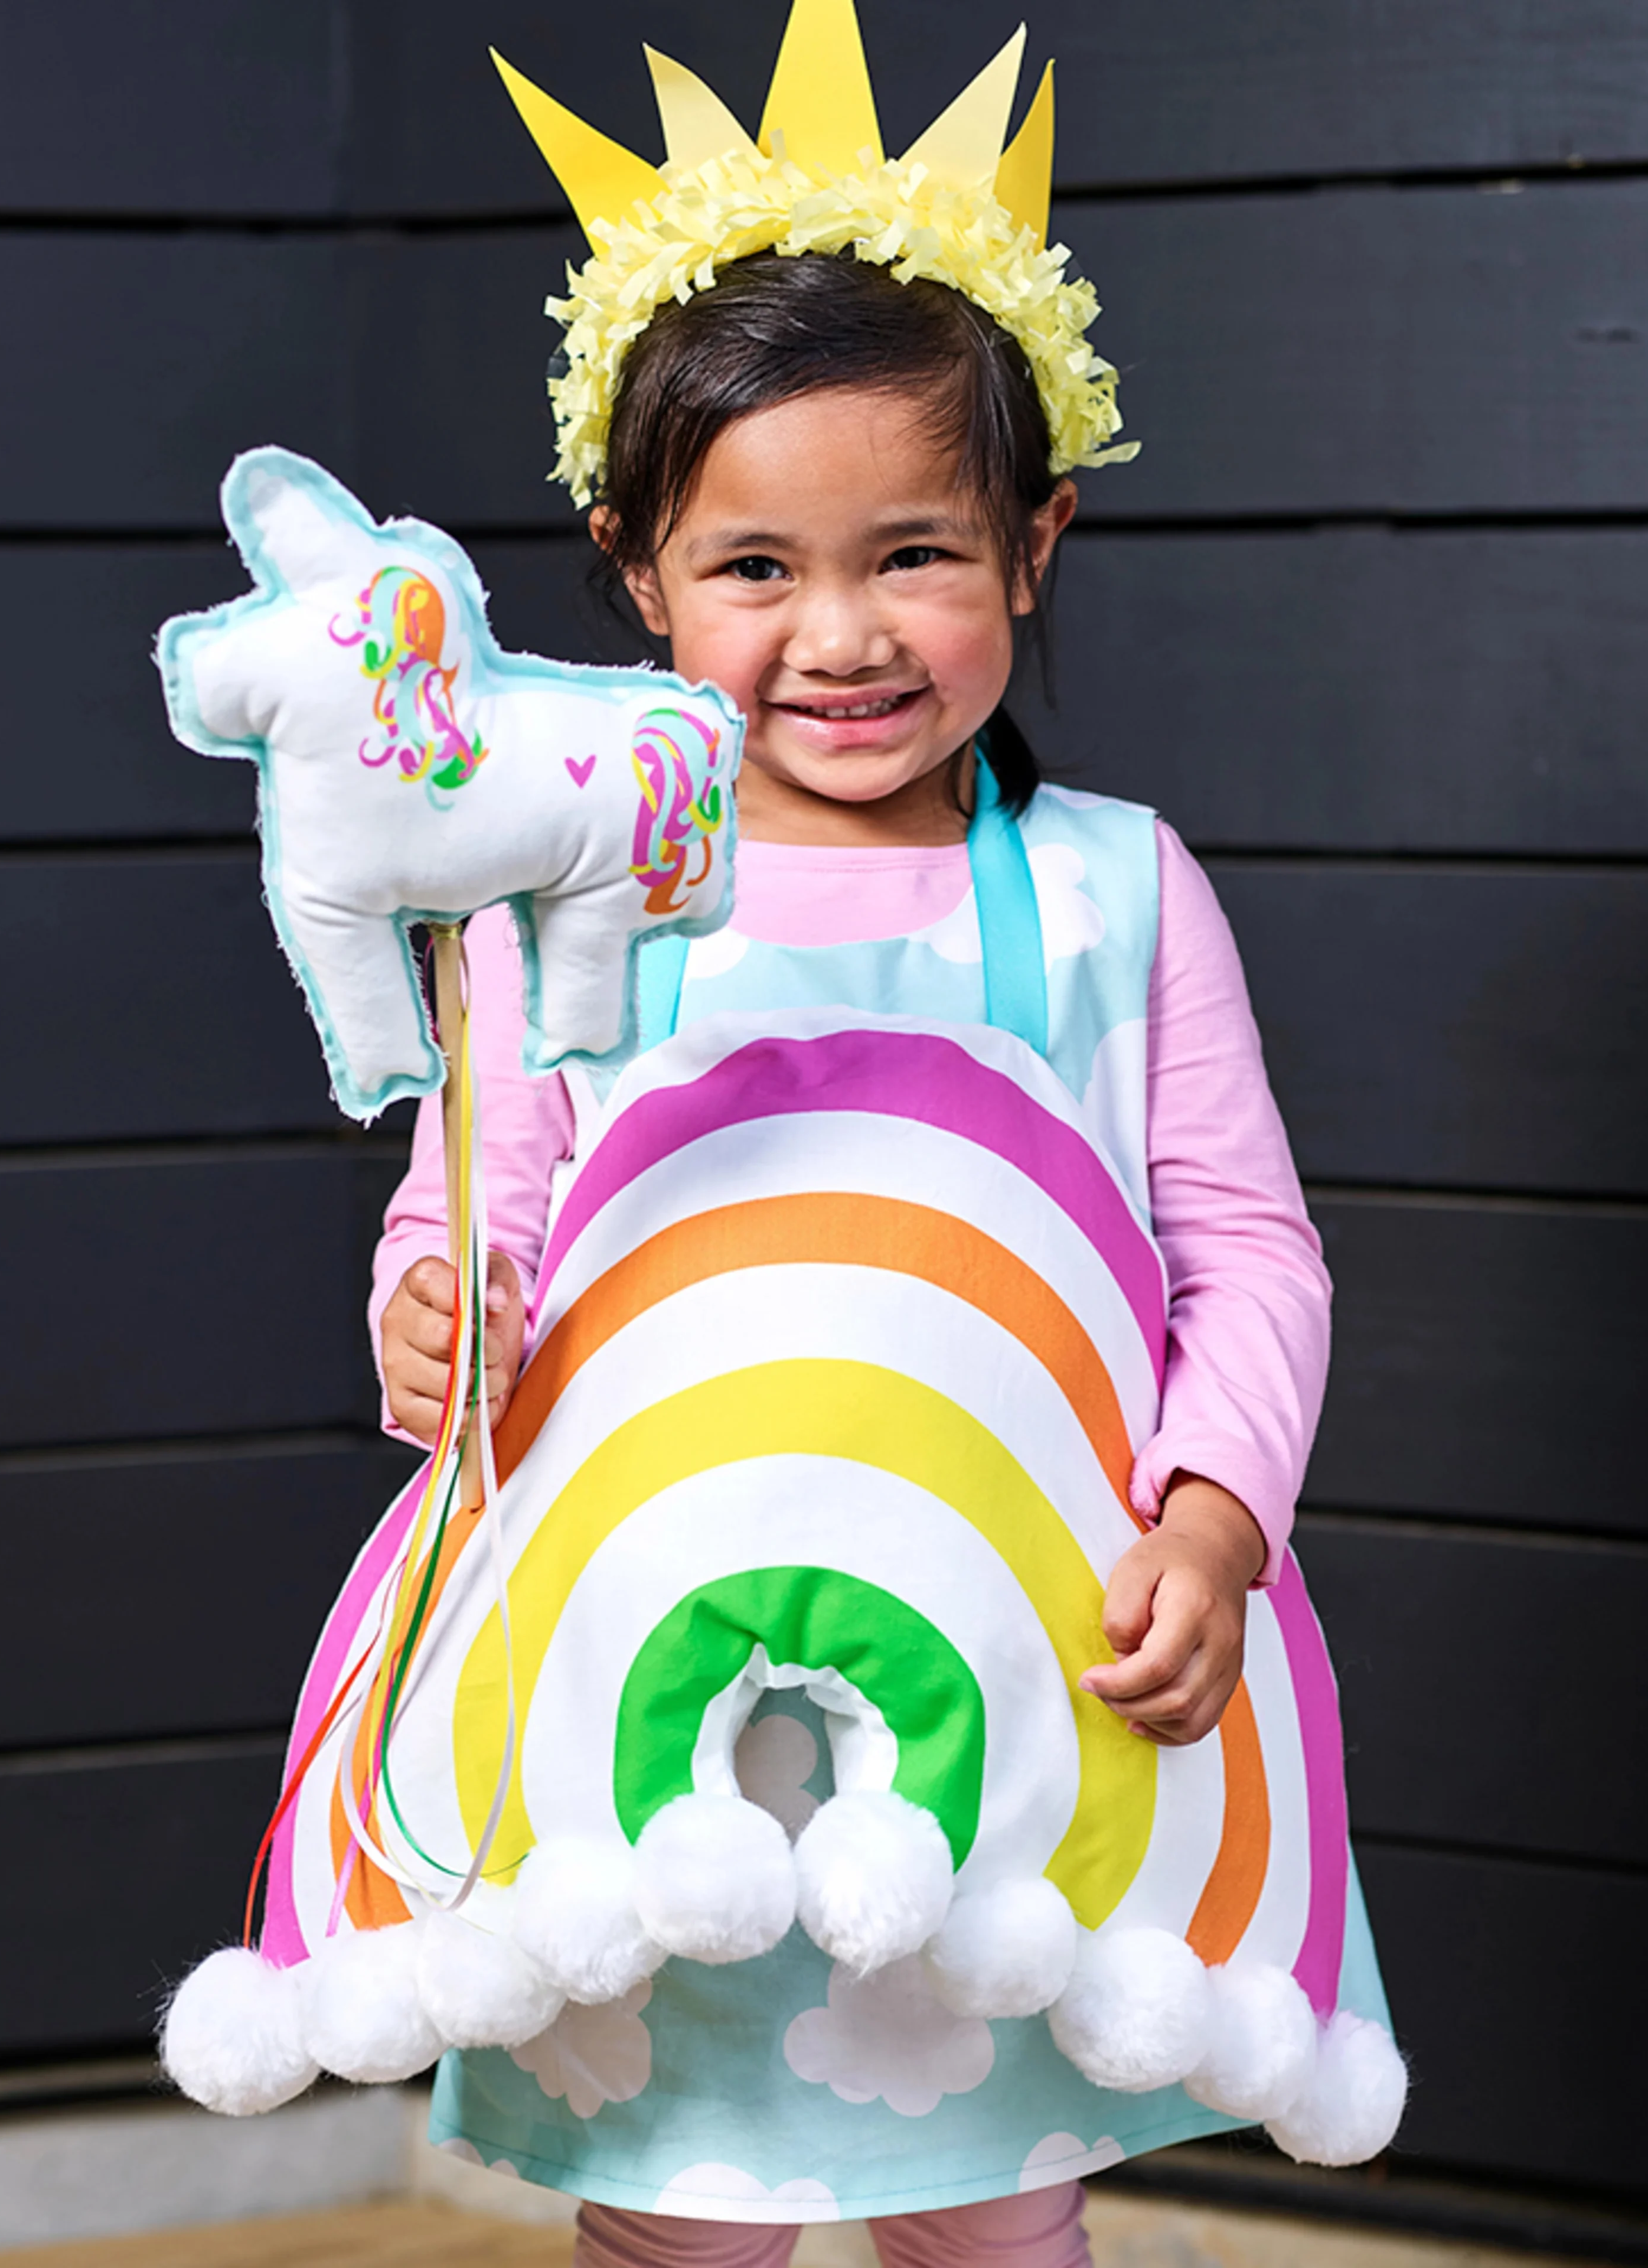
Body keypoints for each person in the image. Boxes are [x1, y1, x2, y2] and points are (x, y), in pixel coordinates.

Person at [366, 249, 1340, 2268]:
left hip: (1015, 1665)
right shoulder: (564, 902)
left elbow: (1249, 1251)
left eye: (915, 554)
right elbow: (480, 1207)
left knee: (991, 2200)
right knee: (682, 2207)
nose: (842, 635)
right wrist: (436, 1312)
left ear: (1033, 544)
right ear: (639, 571)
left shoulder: (1112, 893)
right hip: (661, 1696)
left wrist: (1216, 1518)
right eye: (755, 568)